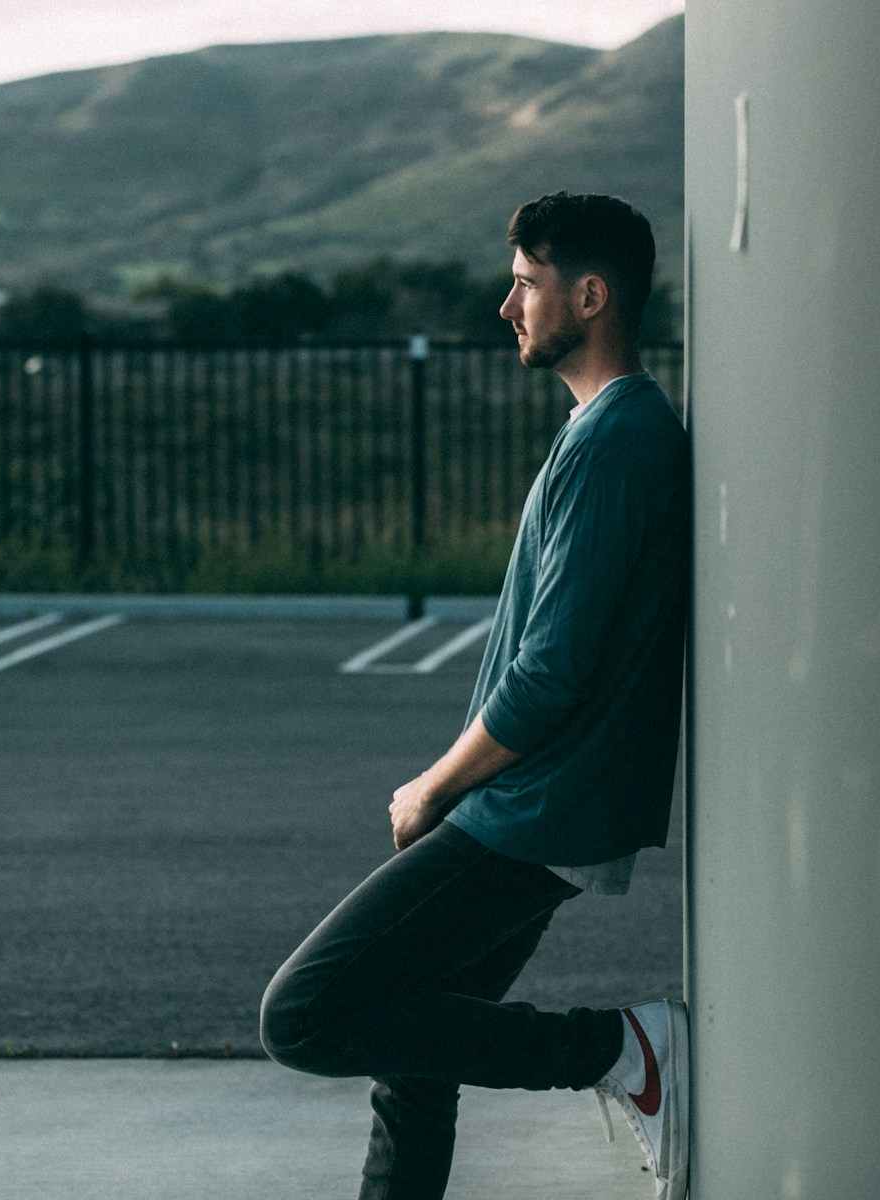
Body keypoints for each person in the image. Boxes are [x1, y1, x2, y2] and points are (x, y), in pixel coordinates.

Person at [260, 191, 691, 1200]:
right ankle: (620, 1055)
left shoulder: (620, 440)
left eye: (528, 284)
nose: (508, 308)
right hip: (535, 805)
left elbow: (552, 673)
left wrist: (434, 786)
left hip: (532, 812)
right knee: (413, 1054)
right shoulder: (606, 429)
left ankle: (619, 1050)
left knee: (305, 1014)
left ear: (590, 295)